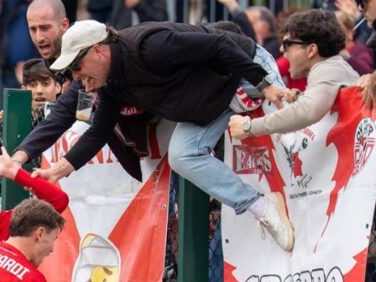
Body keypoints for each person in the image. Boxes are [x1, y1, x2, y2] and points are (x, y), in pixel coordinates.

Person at [41, 20, 297, 251]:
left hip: (243, 70)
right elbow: (98, 132)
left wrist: (264, 84)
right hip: (214, 100)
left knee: (293, 141)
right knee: (182, 155)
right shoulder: (110, 85)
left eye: (76, 65)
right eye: (70, 71)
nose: (75, 76)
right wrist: (57, 171)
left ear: (98, 49)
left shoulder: (148, 46)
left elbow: (221, 43)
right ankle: (262, 207)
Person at [12, 0, 147, 182]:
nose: (39, 37)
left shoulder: (86, 44)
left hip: (150, 120)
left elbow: (67, 109)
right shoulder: (51, 58)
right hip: (113, 137)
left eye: (45, 28)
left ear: (64, 25)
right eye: (33, 29)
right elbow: (76, 110)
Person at [230, 10, 360, 140]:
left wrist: (248, 127)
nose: (282, 49)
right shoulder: (332, 67)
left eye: (288, 44)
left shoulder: (329, 70)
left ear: (311, 50)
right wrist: (300, 98)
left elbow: (306, 112)